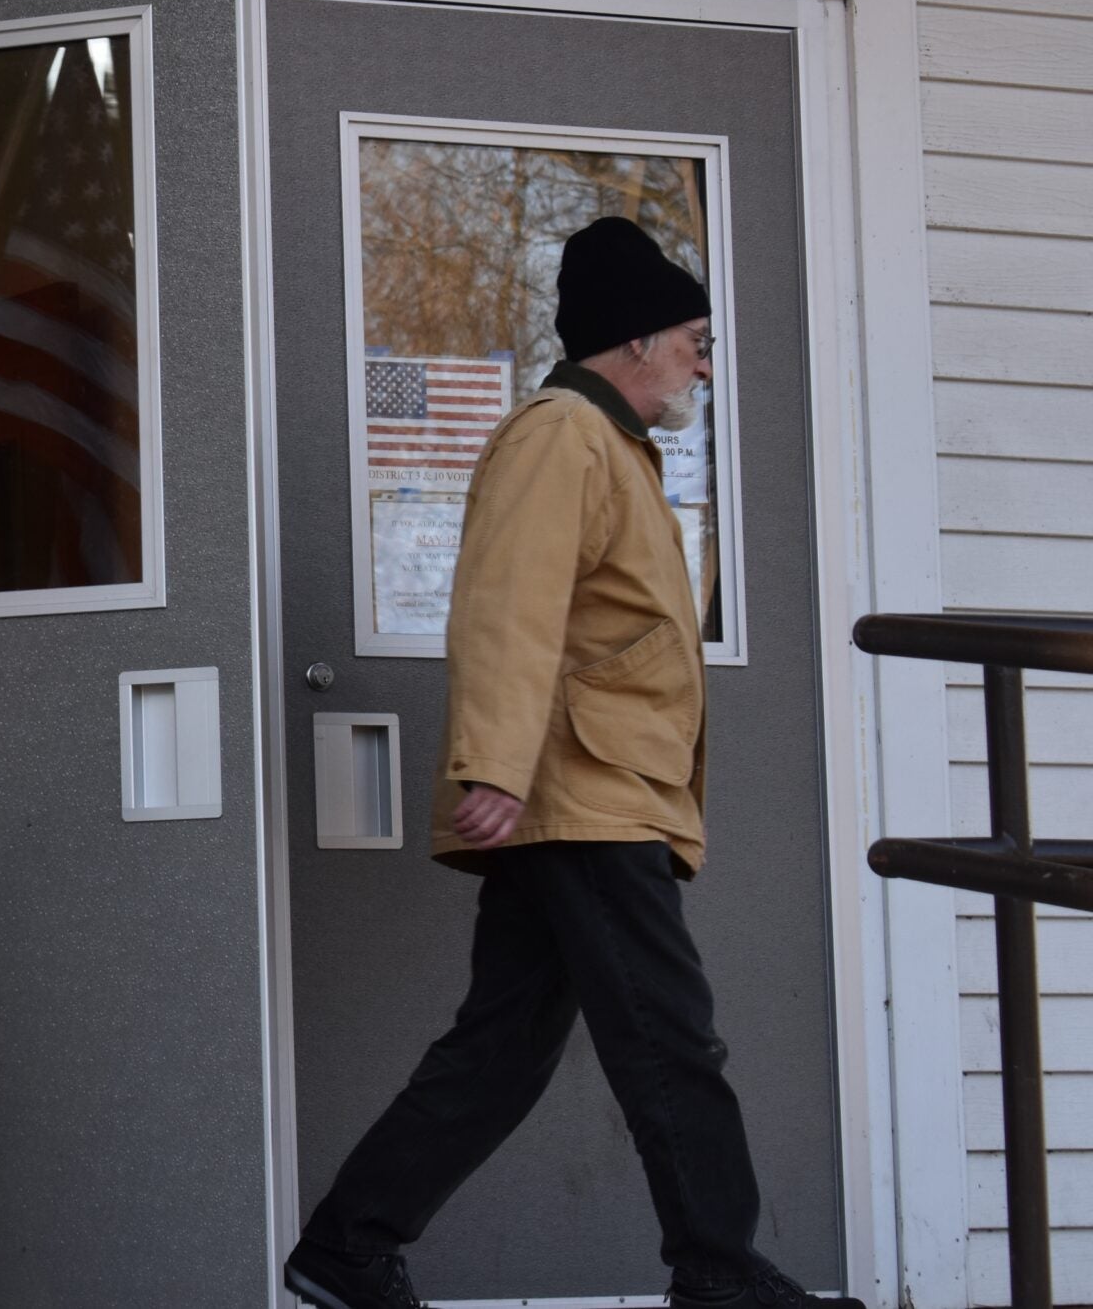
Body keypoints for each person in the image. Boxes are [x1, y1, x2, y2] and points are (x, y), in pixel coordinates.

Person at [283, 218, 862, 1309]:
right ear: (636, 339)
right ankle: (719, 1270)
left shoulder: (614, 448)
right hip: (581, 796)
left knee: (502, 1046)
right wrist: (492, 765)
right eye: (693, 336)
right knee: (669, 1038)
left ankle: (347, 1247)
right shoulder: (561, 434)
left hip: (596, 789)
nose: (703, 357)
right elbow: (510, 605)